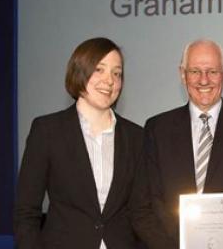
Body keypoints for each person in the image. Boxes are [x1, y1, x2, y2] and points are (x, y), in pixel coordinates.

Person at [133, 39, 223, 248]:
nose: (204, 80)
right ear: (182, 74)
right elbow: (143, 206)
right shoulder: (156, 129)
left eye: (212, 71)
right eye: (195, 71)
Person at [14, 37, 144, 248]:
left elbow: (140, 212)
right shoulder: (47, 131)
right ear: (79, 71)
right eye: (99, 69)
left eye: (117, 73)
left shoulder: (136, 136)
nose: (109, 80)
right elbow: (26, 211)